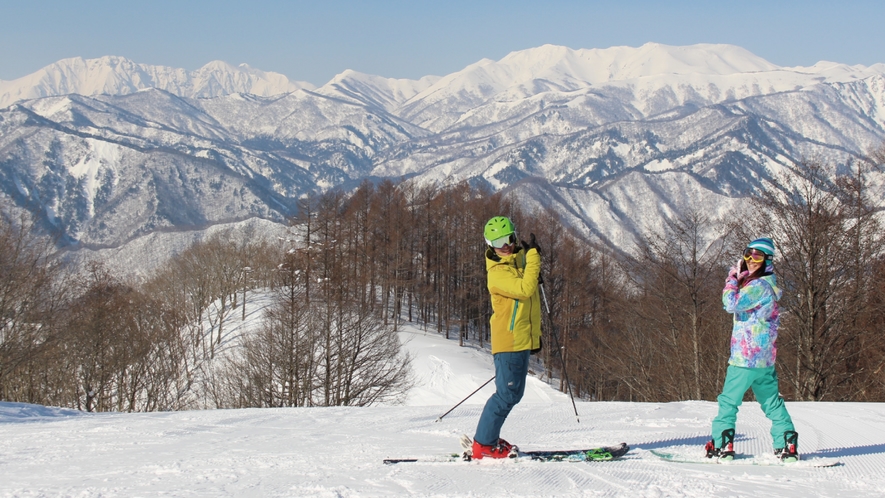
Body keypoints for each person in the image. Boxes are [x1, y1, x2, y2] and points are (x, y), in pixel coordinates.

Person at [706, 237, 799, 462]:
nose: (751, 259)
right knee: (771, 402)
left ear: (768, 260)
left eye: (757, 256)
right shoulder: (768, 284)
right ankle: (786, 443)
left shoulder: (759, 286)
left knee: (728, 402)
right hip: (764, 359)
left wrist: (731, 279)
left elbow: (731, 303)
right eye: (748, 254)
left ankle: (722, 444)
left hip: (745, 359)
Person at [470, 216, 543, 459]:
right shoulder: (498, 273)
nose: (505, 245)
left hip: (519, 339)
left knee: (512, 393)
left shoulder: (514, 261)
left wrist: (527, 259)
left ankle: (487, 439)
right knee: (507, 394)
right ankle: (484, 443)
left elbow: (526, 290)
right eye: (497, 241)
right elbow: (525, 289)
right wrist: (533, 258)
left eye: (508, 238)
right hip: (509, 341)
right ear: (488, 244)